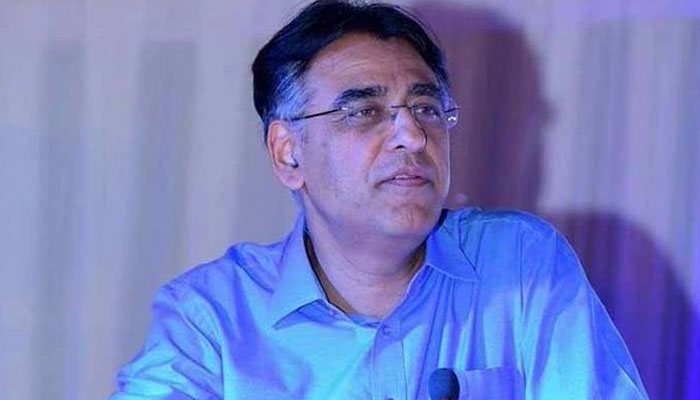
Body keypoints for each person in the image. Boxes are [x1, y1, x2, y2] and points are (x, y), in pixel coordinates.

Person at [111, 1, 648, 399]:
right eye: (364, 112)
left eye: (426, 108)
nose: (412, 137)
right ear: (288, 153)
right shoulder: (212, 318)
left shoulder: (522, 265)